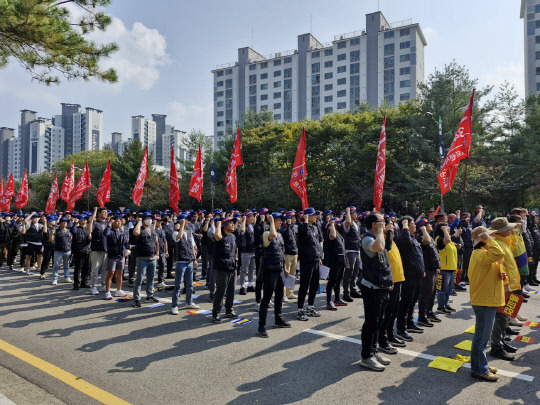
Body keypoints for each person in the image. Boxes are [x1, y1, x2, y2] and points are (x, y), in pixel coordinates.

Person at [468, 226, 505, 382]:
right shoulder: (481, 254)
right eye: (489, 237)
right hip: (484, 301)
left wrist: (487, 239)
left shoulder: (482, 254)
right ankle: (479, 369)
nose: (493, 238)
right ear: (482, 240)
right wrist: (488, 239)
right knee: (481, 337)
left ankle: (480, 364)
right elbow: (499, 252)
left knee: (482, 336)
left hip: (487, 299)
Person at [358, 212, 393, 371]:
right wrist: (380, 231)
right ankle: (366, 356)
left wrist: (388, 281)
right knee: (371, 323)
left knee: (379, 322)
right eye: (381, 221)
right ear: (374, 224)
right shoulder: (367, 239)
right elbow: (378, 248)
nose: (385, 222)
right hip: (372, 288)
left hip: (381, 286)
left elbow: (383, 260)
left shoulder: (379, 236)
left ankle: (374, 351)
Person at [489, 217, 521, 361]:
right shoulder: (496, 244)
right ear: (500, 231)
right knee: (500, 316)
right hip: (504, 286)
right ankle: (496, 347)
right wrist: (506, 284)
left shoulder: (503, 241)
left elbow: (514, 247)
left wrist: (515, 233)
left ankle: (501, 341)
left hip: (510, 285)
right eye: (508, 229)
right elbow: (499, 267)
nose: (511, 230)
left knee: (506, 315)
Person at [257, 213, 292, 337]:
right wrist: (270, 221)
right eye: (278, 221)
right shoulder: (267, 233)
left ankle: (278, 319)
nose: (280, 222)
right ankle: (261, 327)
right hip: (269, 270)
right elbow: (272, 234)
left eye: (281, 221)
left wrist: (285, 267)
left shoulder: (280, 235)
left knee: (279, 296)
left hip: (279, 270)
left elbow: (281, 252)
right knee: (266, 299)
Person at [395, 216, 425, 341]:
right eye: (412, 223)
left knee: (413, 301)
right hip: (409, 274)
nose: (415, 225)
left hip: (417, 274)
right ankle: (401, 329)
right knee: (406, 301)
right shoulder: (403, 238)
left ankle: (410, 322)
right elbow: (405, 238)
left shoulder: (413, 238)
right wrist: (405, 223)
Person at [378, 217, 405, 353]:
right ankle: (383, 339)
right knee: (387, 313)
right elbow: (386, 247)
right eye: (389, 225)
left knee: (394, 311)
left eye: (393, 226)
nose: (392, 227)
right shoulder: (382, 239)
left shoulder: (392, 239)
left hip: (397, 279)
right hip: (389, 282)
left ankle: (390, 334)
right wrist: (387, 231)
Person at [296, 207, 322, 321]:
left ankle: (310, 306)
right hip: (306, 260)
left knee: (315, 284)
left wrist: (319, 257)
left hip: (315, 259)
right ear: (307, 216)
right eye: (313, 215)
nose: (316, 217)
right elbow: (304, 233)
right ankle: (300, 309)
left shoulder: (315, 228)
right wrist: (305, 221)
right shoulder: (302, 227)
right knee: (304, 285)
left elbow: (317, 242)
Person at [171, 214, 200, 314]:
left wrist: (195, 259)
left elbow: (192, 246)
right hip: (181, 261)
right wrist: (181, 225)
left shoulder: (189, 232)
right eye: (186, 220)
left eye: (187, 221)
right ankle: (174, 305)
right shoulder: (175, 233)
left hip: (190, 261)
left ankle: (189, 301)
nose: (188, 222)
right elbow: (178, 237)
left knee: (190, 284)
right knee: (178, 285)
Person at [212, 217, 238, 323]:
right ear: (225, 225)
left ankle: (229, 310)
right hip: (222, 267)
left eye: (233, 223)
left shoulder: (233, 236)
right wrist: (218, 224)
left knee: (231, 290)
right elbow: (217, 236)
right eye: (231, 223)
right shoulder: (220, 236)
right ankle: (216, 313)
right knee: (221, 291)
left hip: (232, 266)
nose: (233, 225)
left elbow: (235, 250)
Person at [132, 212, 160, 308]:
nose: (150, 220)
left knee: (151, 278)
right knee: (139, 279)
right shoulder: (140, 229)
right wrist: (139, 222)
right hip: (142, 258)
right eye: (147, 218)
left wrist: (157, 254)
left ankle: (150, 295)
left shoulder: (152, 229)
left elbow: (156, 242)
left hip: (152, 258)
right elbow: (136, 233)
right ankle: (136, 298)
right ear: (143, 220)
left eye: (150, 218)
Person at [417, 219, 441, 327]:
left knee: (432, 294)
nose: (431, 225)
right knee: (426, 294)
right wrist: (423, 230)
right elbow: (425, 242)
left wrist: (437, 266)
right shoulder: (422, 237)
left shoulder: (430, 237)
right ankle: (422, 316)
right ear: (423, 227)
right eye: (428, 224)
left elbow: (434, 253)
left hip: (433, 269)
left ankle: (429, 312)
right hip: (426, 270)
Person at [325, 217, 348, 310]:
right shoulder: (330, 233)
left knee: (338, 281)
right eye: (338, 223)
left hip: (341, 260)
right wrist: (332, 224)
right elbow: (332, 236)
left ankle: (337, 299)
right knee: (332, 281)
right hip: (334, 261)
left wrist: (345, 261)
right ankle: (329, 301)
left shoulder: (339, 234)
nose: (340, 224)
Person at [103, 215, 129, 300]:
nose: (119, 222)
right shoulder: (110, 231)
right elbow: (105, 234)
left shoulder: (122, 232)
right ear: (113, 222)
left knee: (120, 273)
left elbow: (126, 242)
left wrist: (126, 250)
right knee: (111, 273)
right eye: (117, 221)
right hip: (112, 256)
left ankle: (119, 290)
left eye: (120, 221)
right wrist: (109, 224)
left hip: (121, 256)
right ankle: (108, 292)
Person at [435, 222, 458, 313]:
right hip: (444, 268)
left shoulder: (448, 239)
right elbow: (447, 240)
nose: (448, 228)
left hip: (451, 268)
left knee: (449, 289)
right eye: (446, 227)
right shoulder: (439, 239)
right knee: (442, 289)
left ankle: (446, 304)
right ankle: (440, 307)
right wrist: (444, 230)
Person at [86, 207, 109, 295]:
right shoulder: (95, 223)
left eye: (106, 212)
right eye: (103, 212)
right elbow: (88, 231)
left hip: (107, 249)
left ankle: (103, 285)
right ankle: (94, 286)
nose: (105, 214)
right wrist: (92, 219)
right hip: (96, 249)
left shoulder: (108, 223)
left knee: (105, 269)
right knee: (95, 269)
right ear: (99, 214)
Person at [341, 206, 362, 301]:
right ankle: (346, 293)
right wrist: (348, 211)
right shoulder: (346, 223)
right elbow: (348, 221)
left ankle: (353, 289)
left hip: (356, 249)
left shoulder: (356, 223)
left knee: (355, 272)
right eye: (354, 212)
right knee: (349, 272)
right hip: (349, 251)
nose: (356, 214)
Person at [238, 211, 257, 295]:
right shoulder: (244, 226)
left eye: (253, 216)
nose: (252, 218)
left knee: (252, 269)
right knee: (244, 269)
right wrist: (244, 220)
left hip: (253, 250)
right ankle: (242, 286)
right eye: (250, 216)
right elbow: (241, 230)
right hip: (245, 250)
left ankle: (250, 285)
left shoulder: (252, 226)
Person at [281, 210, 298, 300]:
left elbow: (295, 240)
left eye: (294, 218)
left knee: (292, 274)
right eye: (292, 218)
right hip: (287, 254)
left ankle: (289, 292)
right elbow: (286, 236)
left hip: (294, 253)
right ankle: (283, 294)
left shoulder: (292, 227)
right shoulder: (284, 228)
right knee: (286, 274)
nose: (294, 219)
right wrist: (287, 225)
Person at [50, 217, 73, 285]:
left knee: (66, 265)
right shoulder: (56, 231)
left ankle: (67, 277)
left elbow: (71, 240)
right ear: (60, 223)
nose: (65, 223)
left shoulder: (69, 231)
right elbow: (51, 240)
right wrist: (52, 234)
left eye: (66, 222)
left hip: (67, 250)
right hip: (58, 250)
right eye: (63, 222)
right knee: (56, 265)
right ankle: (55, 279)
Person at [71, 215, 91, 289]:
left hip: (87, 250)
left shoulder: (87, 229)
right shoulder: (76, 229)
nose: (84, 221)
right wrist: (75, 223)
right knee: (78, 268)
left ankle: (84, 282)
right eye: (83, 219)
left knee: (86, 268)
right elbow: (72, 231)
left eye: (85, 219)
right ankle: (76, 283)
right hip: (78, 251)